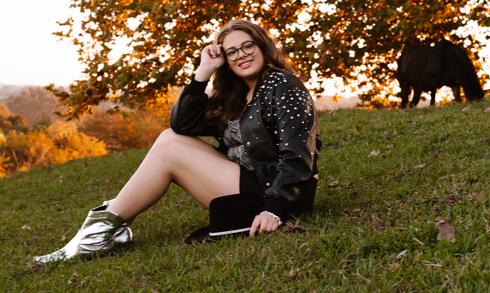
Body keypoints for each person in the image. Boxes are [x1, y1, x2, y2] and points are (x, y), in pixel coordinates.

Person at [34, 20, 321, 262]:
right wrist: (203, 71)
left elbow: (297, 153)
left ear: (262, 46)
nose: (241, 55)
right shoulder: (235, 94)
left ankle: (97, 234)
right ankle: (105, 228)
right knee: (169, 137)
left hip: (277, 194)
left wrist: (273, 207)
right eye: (231, 52)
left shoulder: (282, 85)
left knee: (170, 150)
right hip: (247, 180)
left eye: (248, 46)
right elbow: (182, 125)